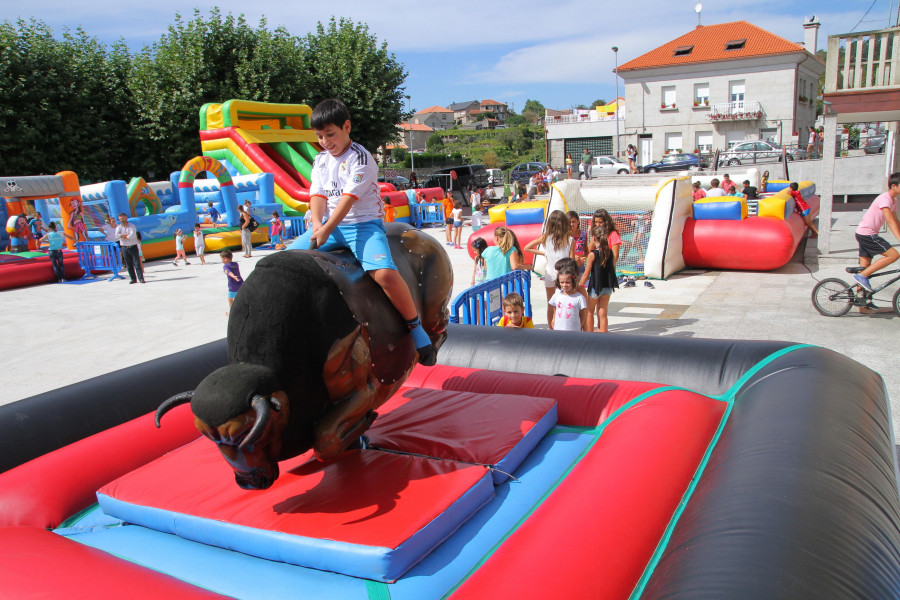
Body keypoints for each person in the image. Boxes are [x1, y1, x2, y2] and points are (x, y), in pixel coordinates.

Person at [286, 98, 436, 364]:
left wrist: (326, 228)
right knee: (284, 262)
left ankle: (415, 327)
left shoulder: (361, 157)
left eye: (330, 134)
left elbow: (347, 199)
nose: (325, 141)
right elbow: (318, 195)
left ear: (347, 127)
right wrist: (318, 225)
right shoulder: (320, 160)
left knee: (385, 275)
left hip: (362, 225)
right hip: (328, 227)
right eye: (319, 136)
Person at [852, 172, 900, 293]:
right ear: (894, 186)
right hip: (867, 234)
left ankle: (862, 303)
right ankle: (862, 276)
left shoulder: (894, 201)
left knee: (864, 267)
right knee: (894, 255)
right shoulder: (885, 199)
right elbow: (889, 222)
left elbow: (895, 220)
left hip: (864, 233)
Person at [524, 210, 574, 325]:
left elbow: (527, 248)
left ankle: (551, 327)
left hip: (550, 274)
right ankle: (560, 325)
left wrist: (544, 253)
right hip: (564, 276)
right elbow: (572, 261)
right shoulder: (569, 240)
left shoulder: (545, 238)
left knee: (551, 303)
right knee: (562, 302)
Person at [579, 226, 619, 332]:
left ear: (593, 238)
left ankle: (590, 335)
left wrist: (579, 285)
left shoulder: (593, 255)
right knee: (603, 312)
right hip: (607, 286)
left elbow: (586, 273)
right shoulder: (610, 253)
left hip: (596, 287)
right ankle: (603, 335)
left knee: (590, 311)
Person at [548, 264, 587, 331]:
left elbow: (583, 314)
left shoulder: (579, 298)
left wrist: (580, 325)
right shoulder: (557, 295)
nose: (564, 285)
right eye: (562, 282)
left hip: (574, 331)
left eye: (567, 282)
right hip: (558, 329)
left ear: (573, 281)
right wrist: (554, 319)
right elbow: (555, 308)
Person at [116, 212, 145, 284]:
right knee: (128, 264)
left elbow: (132, 235)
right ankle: (133, 279)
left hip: (133, 247)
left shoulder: (131, 226)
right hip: (124, 247)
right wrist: (125, 236)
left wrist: (124, 236)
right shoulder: (118, 227)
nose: (122, 220)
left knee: (137, 263)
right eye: (120, 219)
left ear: (126, 218)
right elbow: (116, 236)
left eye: (123, 218)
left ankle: (141, 278)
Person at [220, 248, 243, 316]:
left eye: (221, 259)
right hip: (241, 283)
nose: (221, 260)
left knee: (230, 299)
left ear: (225, 258)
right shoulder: (236, 264)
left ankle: (232, 313)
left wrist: (233, 276)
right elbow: (232, 269)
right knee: (240, 298)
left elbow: (229, 272)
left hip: (233, 286)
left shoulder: (225, 266)